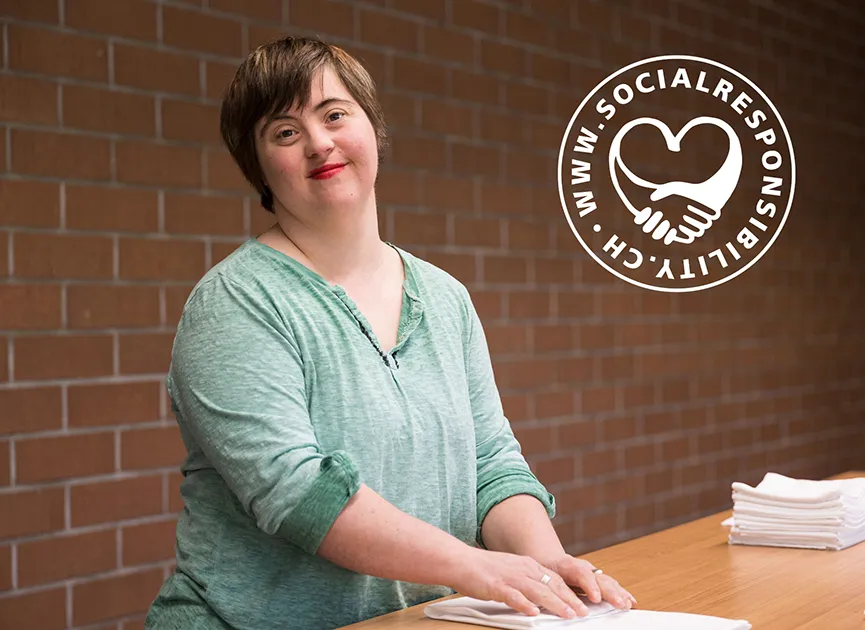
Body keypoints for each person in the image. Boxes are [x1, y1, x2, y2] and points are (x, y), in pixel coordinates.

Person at [144, 35, 636, 630]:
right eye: (285, 132)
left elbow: (490, 462)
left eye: (334, 115)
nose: (319, 143)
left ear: (373, 129)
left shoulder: (446, 299)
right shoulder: (236, 302)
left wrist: (545, 562)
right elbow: (299, 493)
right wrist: (476, 567)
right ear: (259, 167)